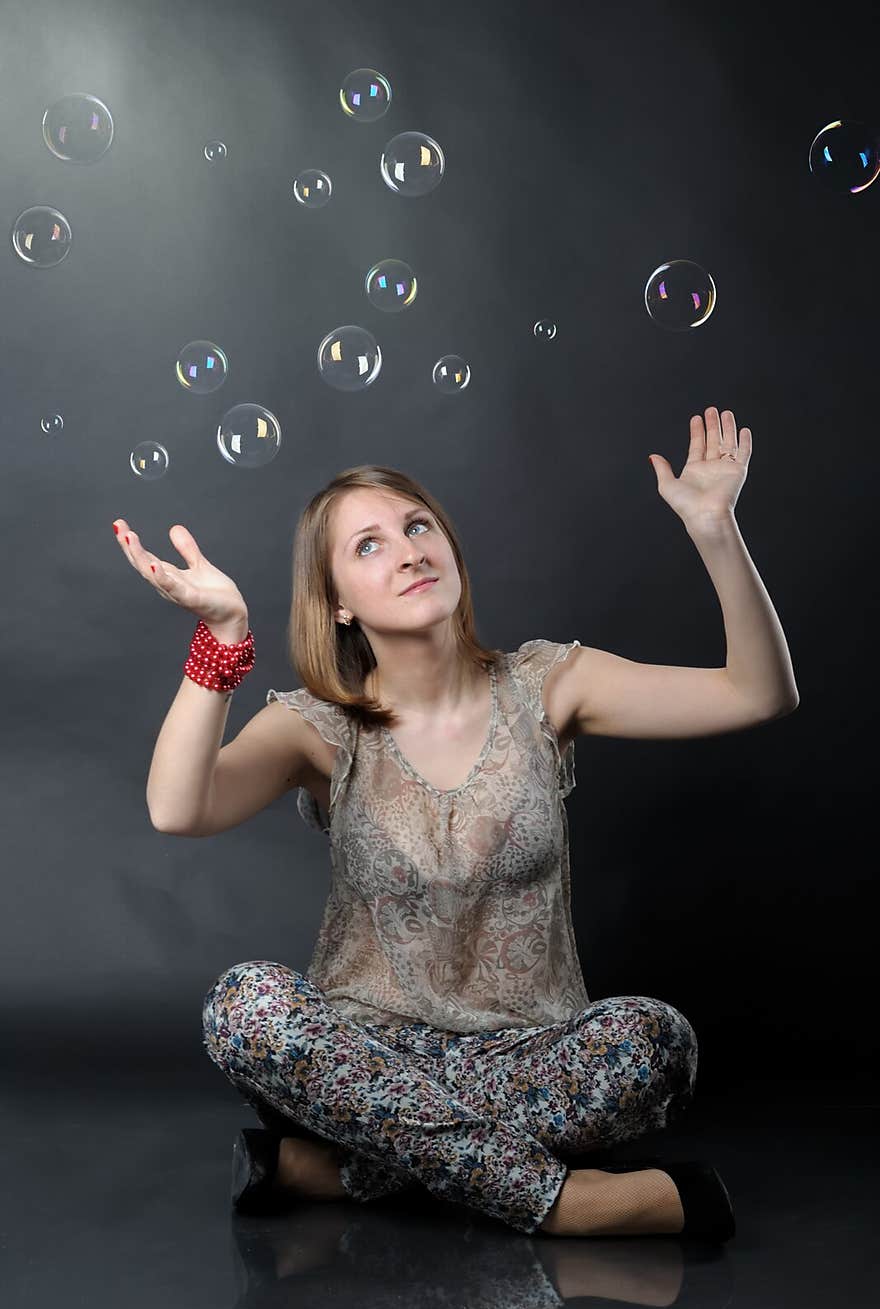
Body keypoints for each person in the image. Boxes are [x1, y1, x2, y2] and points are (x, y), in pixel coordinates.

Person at [115, 408, 797, 1241]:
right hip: (361, 1054)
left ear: (449, 549)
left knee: (655, 1042)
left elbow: (757, 694)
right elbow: (176, 809)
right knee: (246, 1004)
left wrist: (716, 530)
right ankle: (559, 1202)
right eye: (368, 545)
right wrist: (222, 637)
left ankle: (345, 1172)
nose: (407, 551)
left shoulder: (548, 683)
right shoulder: (319, 726)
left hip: (528, 1058)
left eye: (417, 526)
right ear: (334, 604)